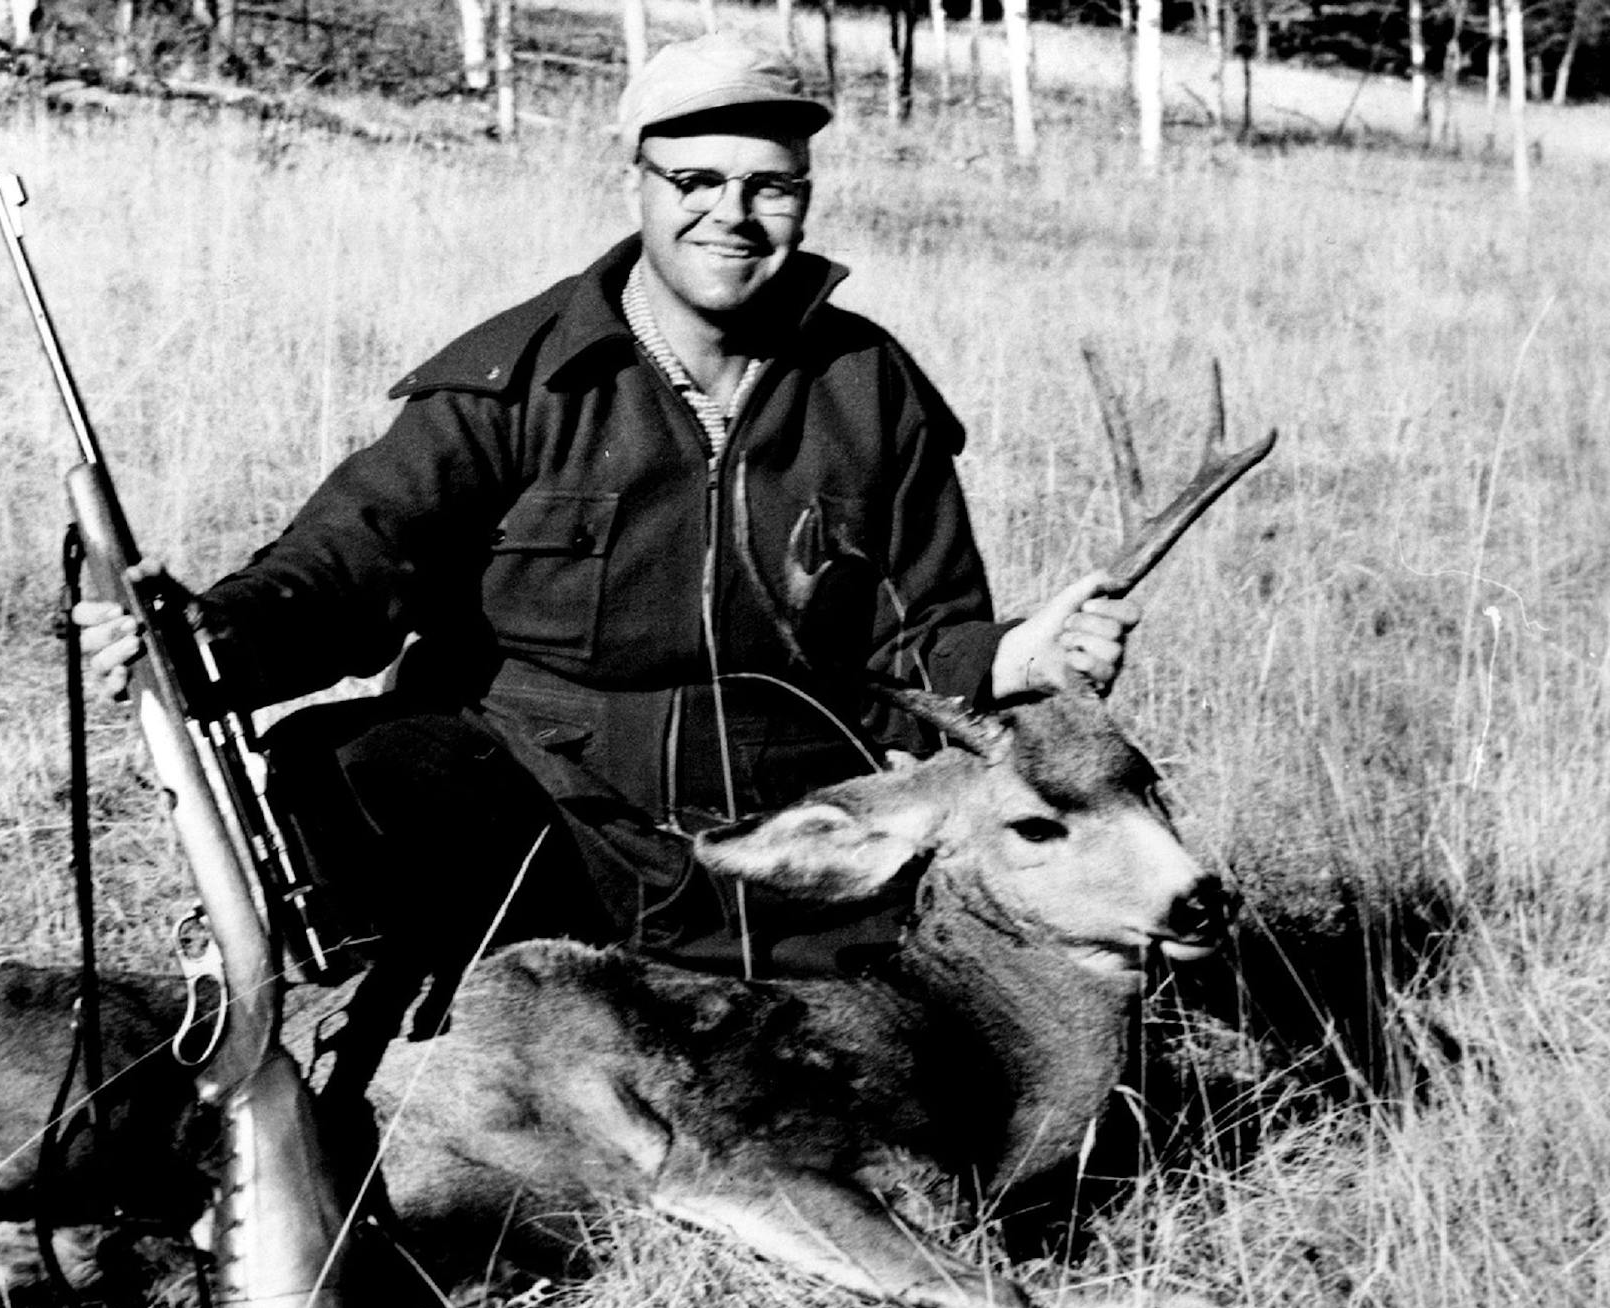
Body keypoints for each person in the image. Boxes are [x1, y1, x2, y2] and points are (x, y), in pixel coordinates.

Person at [77, 34, 1139, 1015]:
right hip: (557, 819)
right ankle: (401, 1031)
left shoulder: (869, 387)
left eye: (770, 187)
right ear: (639, 181)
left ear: (805, 202)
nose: (734, 214)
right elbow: (348, 570)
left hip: (792, 841)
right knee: (356, 762)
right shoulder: (516, 381)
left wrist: (1014, 655)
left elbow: (918, 638)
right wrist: (199, 641)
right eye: (698, 181)